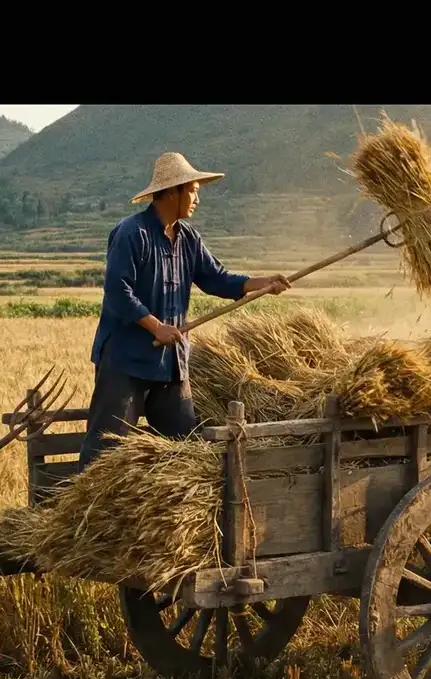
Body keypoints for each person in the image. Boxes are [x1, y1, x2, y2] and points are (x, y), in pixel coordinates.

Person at [79, 151, 293, 467]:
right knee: (106, 450)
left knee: (185, 449)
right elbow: (117, 293)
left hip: (170, 364)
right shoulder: (131, 233)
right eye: (193, 191)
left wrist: (262, 283)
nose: (196, 199)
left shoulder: (188, 238)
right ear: (171, 192)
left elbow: (217, 279)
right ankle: (84, 511)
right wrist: (156, 326)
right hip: (126, 360)